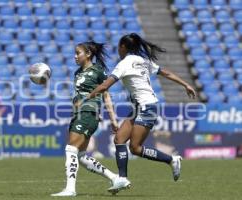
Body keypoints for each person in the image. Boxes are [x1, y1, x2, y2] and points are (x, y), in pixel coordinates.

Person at [81, 33, 197, 194]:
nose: (117, 50)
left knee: (135, 147)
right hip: (140, 106)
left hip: (146, 107)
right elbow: (166, 73)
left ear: (123, 47)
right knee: (119, 139)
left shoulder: (125, 63)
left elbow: (104, 86)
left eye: (118, 47)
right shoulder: (143, 60)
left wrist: (86, 97)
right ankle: (122, 178)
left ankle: (172, 159)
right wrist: (186, 85)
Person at [51, 41, 122, 197]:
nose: (75, 56)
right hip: (79, 114)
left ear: (88, 54)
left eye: (78, 53)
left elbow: (106, 95)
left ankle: (70, 189)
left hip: (89, 112)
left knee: (71, 149)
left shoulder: (98, 71)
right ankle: (115, 178)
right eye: (75, 53)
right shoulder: (77, 73)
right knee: (81, 156)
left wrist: (113, 119)